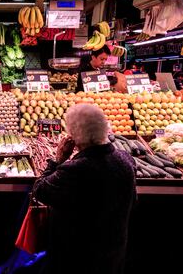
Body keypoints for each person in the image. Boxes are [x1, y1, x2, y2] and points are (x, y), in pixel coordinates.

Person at [32, 104, 137, 274]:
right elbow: (133, 201)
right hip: (113, 255)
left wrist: (58, 160)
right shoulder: (126, 160)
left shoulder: (75, 169)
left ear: (74, 135)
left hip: (76, 259)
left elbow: (40, 190)